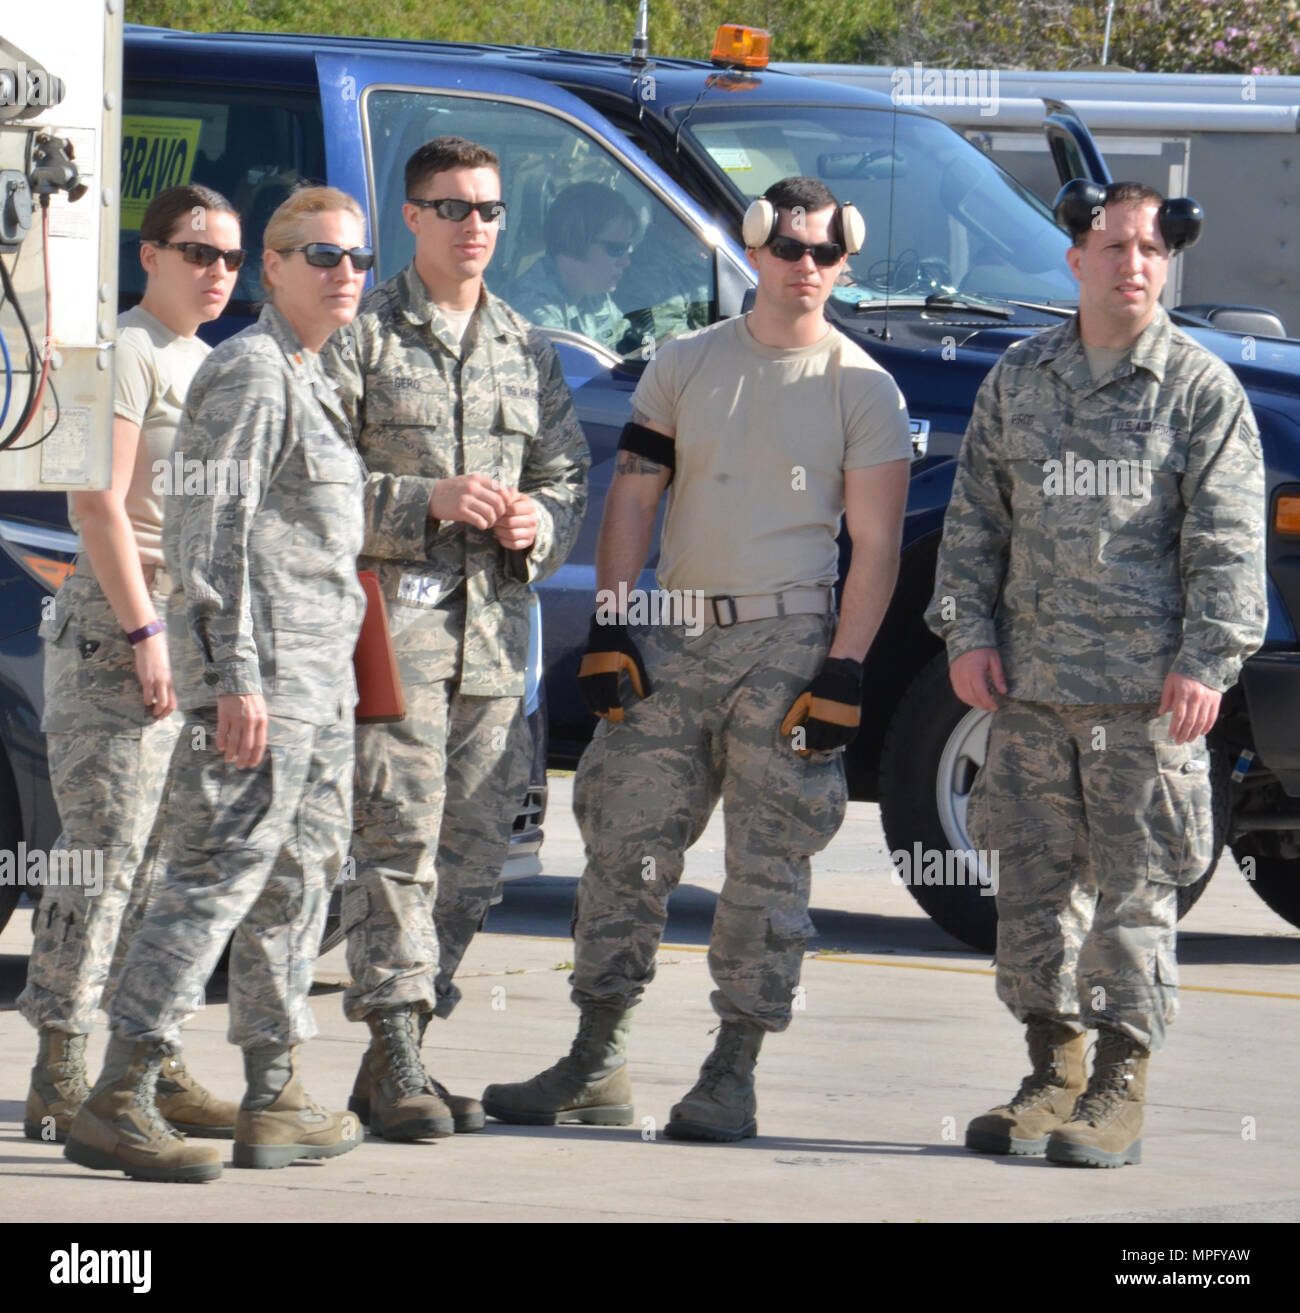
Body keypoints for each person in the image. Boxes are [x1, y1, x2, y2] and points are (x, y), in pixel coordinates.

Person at [482, 176, 913, 1141]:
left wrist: (843, 669)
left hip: (789, 638)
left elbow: (876, 547)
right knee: (622, 846)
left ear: (846, 261)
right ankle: (597, 1057)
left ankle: (733, 1071)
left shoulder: (864, 386)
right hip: (672, 633)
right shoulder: (684, 362)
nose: (807, 268)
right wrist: (612, 623)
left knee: (768, 866)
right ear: (754, 249)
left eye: (827, 253)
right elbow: (635, 492)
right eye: (790, 247)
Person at [925, 180, 1267, 1168]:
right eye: (1112, 245)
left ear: (1167, 265)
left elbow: (1227, 546)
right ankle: (1052, 1067)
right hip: (1027, 690)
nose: (1132, 263)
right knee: (1031, 887)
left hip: (1143, 694)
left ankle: (1119, 1084)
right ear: (1074, 259)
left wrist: (1208, 660)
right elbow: (974, 522)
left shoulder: (1197, 388)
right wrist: (966, 631)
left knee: (1135, 890)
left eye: (1150, 249)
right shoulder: (1018, 379)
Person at [63, 186, 372, 1183]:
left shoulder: (310, 373)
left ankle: (275, 1090)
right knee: (207, 882)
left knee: (296, 886)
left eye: (357, 259)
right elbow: (208, 540)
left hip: (321, 692)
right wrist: (230, 678)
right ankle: (118, 1090)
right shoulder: (248, 372)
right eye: (319, 255)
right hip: (264, 687)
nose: (345, 274)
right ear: (276, 269)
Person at [321, 136, 589, 1142]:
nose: (473, 224)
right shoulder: (364, 337)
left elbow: (566, 473)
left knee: (475, 857)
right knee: (396, 845)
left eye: (488, 207)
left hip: (494, 642)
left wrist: (540, 523)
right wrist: (422, 500)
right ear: (413, 217)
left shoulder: (526, 345)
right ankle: (393, 1050)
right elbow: (313, 485)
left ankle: (406, 1053)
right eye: (451, 206)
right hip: (393, 636)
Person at [19, 185, 243, 1145]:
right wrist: (147, 633)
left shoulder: (211, 363)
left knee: (168, 870)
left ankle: (146, 1059)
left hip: (191, 626)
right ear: (148, 255)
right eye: (197, 252)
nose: (217, 272)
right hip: (120, 628)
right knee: (102, 860)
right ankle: (61, 1068)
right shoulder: (115, 353)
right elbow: (97, 506)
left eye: (231, 258)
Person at [510, 180, 638, 352]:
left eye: (628, 248)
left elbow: (634, 349)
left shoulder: (593, 292)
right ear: (576, 241)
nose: (626, 262)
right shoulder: (533, 310)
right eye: (616, 249)